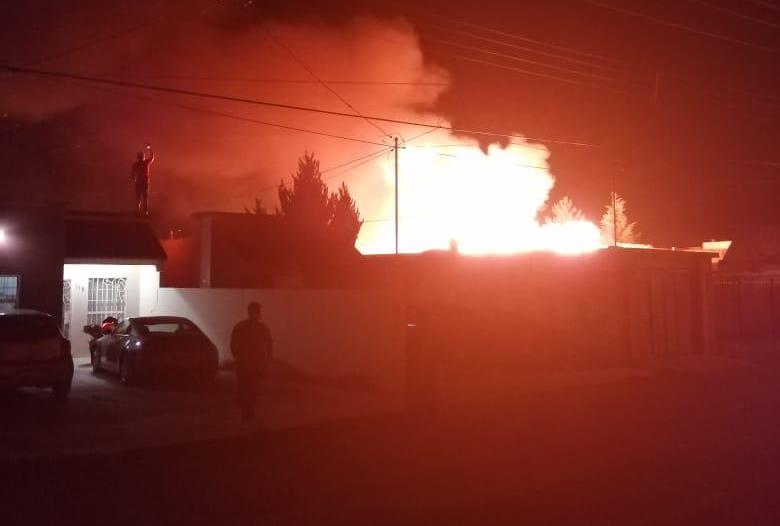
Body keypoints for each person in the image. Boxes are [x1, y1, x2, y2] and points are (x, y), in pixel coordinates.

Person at [230, 302, 273, 420]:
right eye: (257, 311)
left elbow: (269, 345)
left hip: (254, 364)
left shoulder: (259, 328)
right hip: (247, 364)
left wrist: (267, 360)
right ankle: (247, 412)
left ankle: (248, 411)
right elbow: (234, 344)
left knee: (251, 389)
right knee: (247, 388)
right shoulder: (256, 328)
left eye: (257, 311)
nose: (258, 314)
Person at [131, 144, 155, 216]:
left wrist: (150, 149)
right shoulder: (138, 164)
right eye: (141, 156)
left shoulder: (144, 163)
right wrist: (134, 178)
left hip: (143, 181)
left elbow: (152, 157)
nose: (142, 157)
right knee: (141, 197)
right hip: (141, 181)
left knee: (143, 197)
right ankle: (140, 211)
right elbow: (133, 172)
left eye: (142, 156)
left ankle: (143, 211)